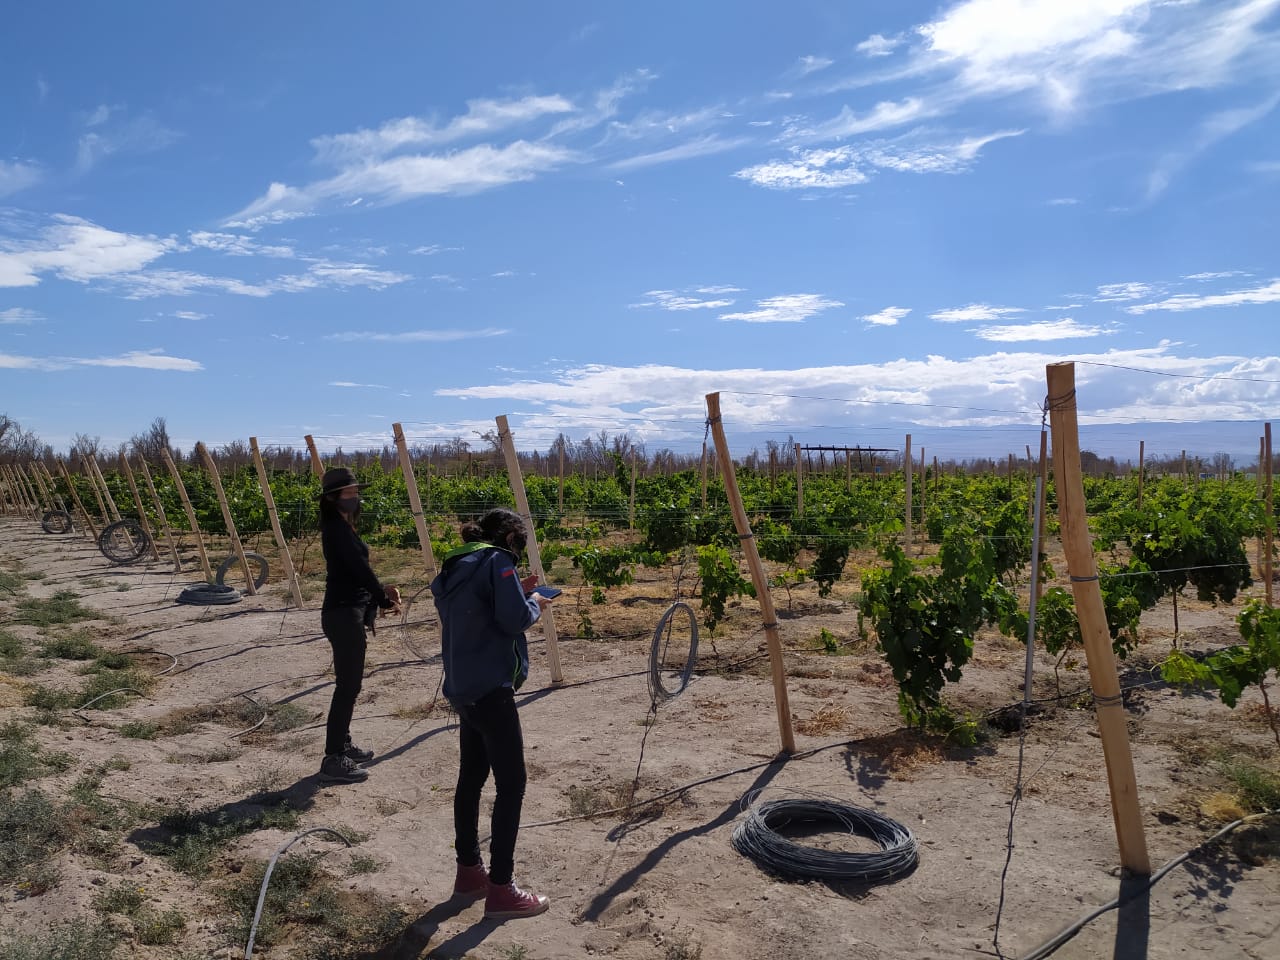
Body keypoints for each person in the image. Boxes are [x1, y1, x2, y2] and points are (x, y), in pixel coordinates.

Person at [431, 507, 553, 919]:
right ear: (509, 538)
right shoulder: (497, 561)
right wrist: (533, 600)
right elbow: (513, 620)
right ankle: (502, 888)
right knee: (512, 783)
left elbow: (476, 610)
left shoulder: (459, 562)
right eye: (519, 542)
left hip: (462, 687)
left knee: (471, 777)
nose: (518, 550)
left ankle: (469, 872)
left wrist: (513, 588)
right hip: (490, 689)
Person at [318, 467, 400, 784]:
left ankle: (344, 745)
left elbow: (357, 573)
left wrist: (379, 596)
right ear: (333, 498)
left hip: (345, 612)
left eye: (356, 492)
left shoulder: (340, 526)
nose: (355, 497)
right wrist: (381, 597)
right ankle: (333, 758)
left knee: (349, 686)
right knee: (347, 687)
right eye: (349, 493)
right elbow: (359, 571)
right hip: (342, 614)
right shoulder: (337, 531)